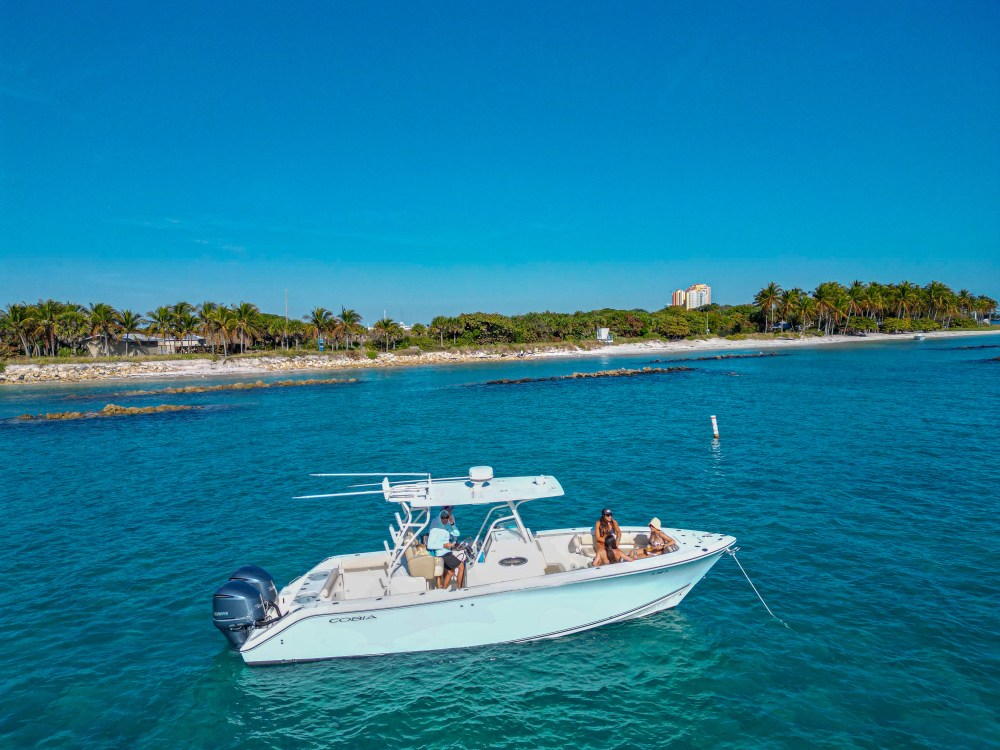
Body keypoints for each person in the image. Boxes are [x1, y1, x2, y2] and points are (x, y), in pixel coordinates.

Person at [427, 509, 465, 589]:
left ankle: (443, 589)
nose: (444, 519)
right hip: (442, 554)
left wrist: (452, 523)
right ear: (439, 518)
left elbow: (457, 533)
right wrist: (444, 545)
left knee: (451, 572)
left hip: (448, 552)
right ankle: (460, 588)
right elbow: (429, 545)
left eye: (446, 517)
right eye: (442, 517)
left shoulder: (447, 526)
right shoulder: (434, 530)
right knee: (461, 566)